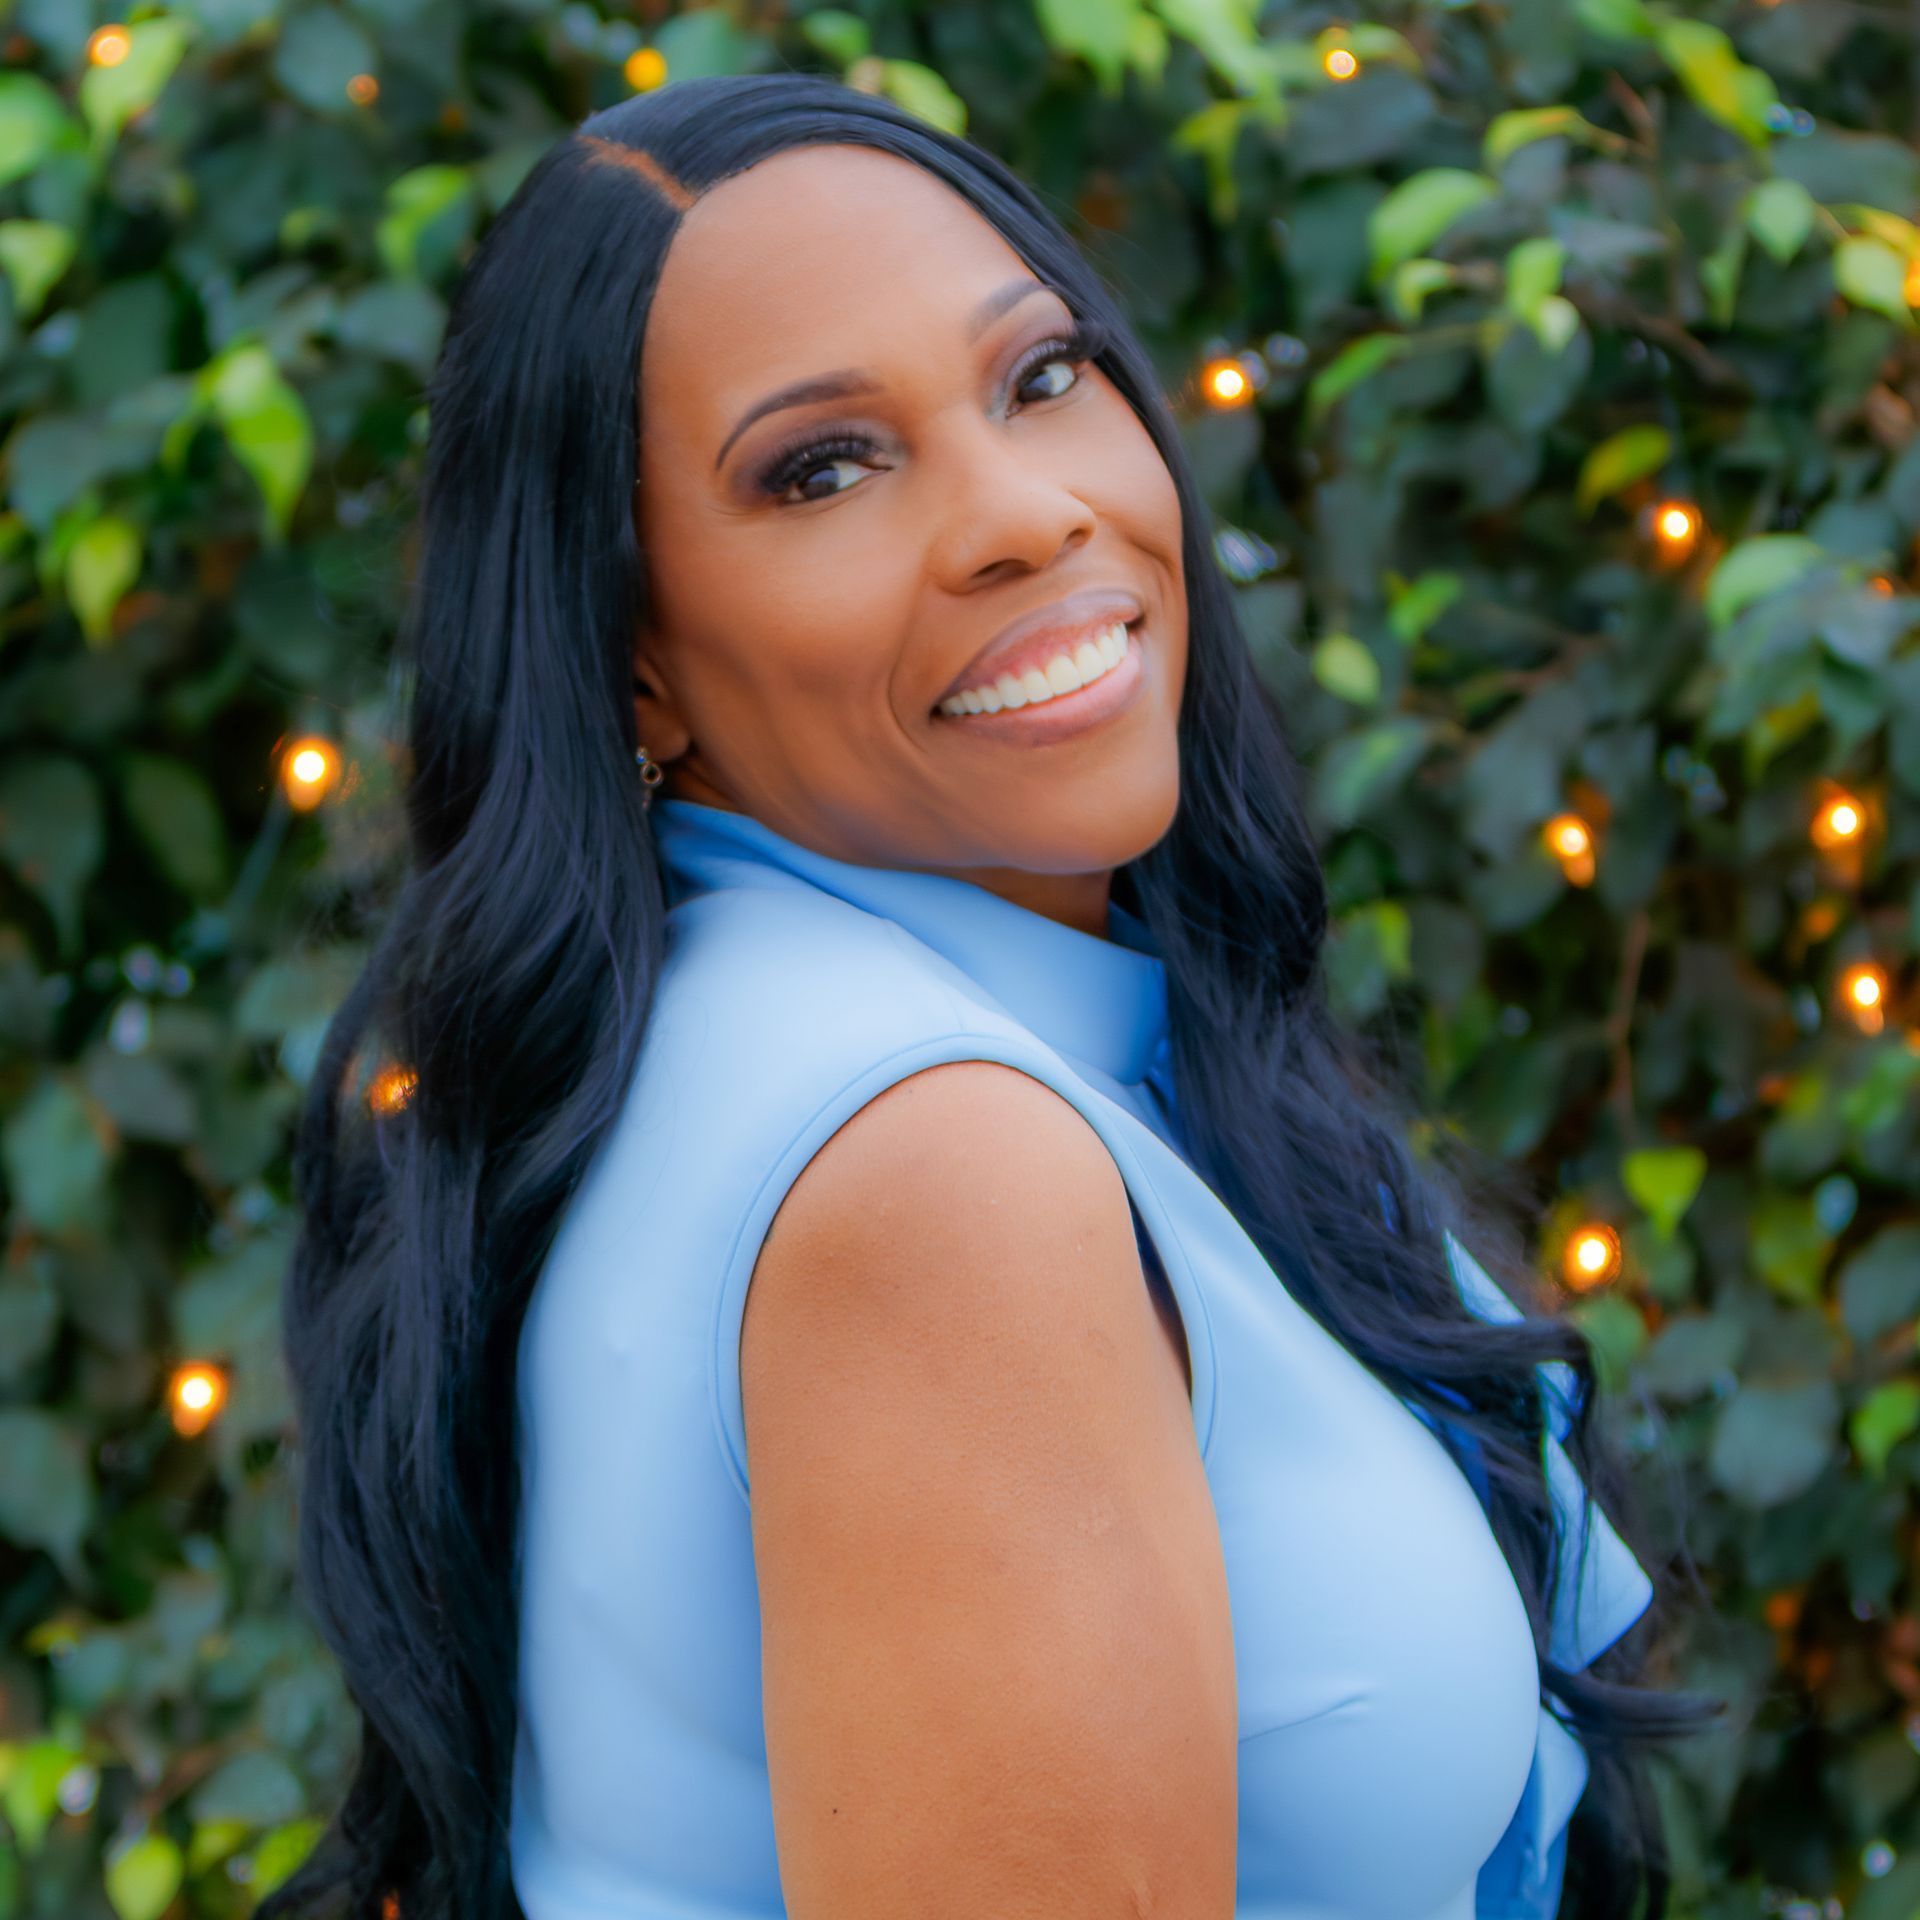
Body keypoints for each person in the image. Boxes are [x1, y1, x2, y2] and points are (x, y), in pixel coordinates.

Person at [268, 71, 1721, 1920]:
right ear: (634, 663)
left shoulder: (750, 1033)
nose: (1023, 515)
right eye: (823, 466)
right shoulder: (932, 1169)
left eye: (1040, 378)